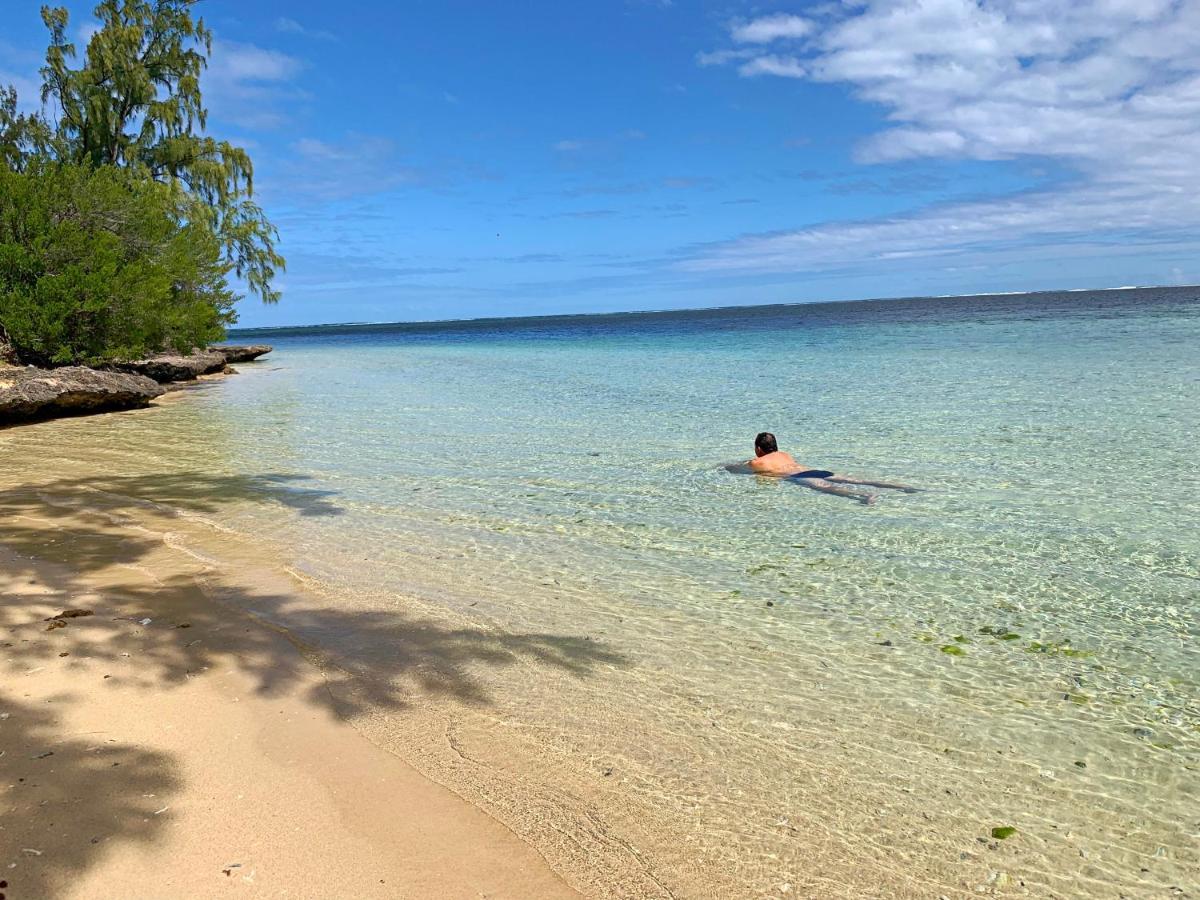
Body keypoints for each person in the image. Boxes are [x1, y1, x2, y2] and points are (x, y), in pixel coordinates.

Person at [743, 432, 918, 505]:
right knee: (856, 480)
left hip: (798, 476)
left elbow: (742, 468)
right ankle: (900, 486)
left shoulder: (757, 462)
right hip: (812, 470)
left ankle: (864, 496)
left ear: (759, 448)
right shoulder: (785, 454)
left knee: (828, 489)